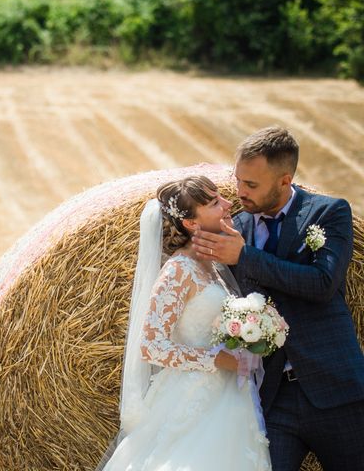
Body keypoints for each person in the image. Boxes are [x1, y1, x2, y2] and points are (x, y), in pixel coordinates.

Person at [192, 126, 364, 470]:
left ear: (285, 181)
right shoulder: (234, 227)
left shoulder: (328, 213)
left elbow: (322, 283)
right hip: (271, 398)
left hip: (336, 388)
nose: (240, 192)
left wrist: (246, 257)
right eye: (238, 179)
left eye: (251, 185)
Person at [98, 176, 271, 471]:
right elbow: (152, 346)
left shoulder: (214, 266)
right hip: (192, 401)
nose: (229, 203)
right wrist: (217, 359)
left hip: (231, 398)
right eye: (215, 202)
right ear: (191, 223)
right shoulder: (178, 271)